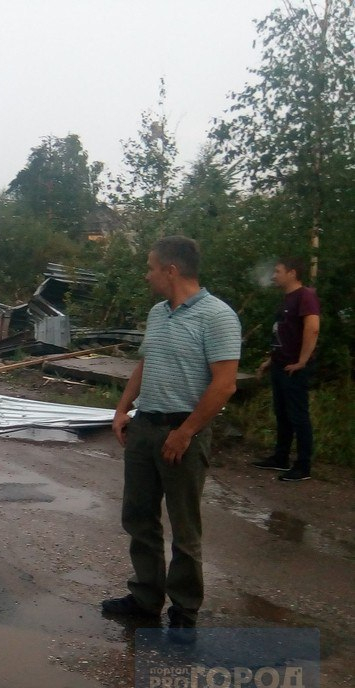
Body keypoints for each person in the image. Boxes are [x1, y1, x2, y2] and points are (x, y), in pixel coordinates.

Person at [103, 236, 241, 643]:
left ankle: (184, 609)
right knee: (139, 517)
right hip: (145, 427)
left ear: (171, 270)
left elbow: (224, 385)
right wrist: (122, 408)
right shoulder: (158, 314)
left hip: (184, 431)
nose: (147, 275)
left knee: (184, 526)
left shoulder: (217, 317)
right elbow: (145, 363)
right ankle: (145, 597)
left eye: (150, 267)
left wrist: (185, 433)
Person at [251, 257, 320, 482]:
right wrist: (270, 361)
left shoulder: (305, 296)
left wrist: (302, 361)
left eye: (278, 271)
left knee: (299, 416)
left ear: (292, 273)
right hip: (280, 366)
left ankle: (303, 466)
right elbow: (282, 335)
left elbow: (312, 329)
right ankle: (280, 458)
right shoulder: (286, 299)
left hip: (294, 368)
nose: (273, 276)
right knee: (282, 415)